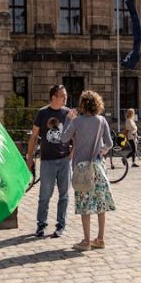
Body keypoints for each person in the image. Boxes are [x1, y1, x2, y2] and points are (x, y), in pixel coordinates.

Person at [63, 90, 116, 251]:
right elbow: (110, 143)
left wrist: (67, 120)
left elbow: (64, 138)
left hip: (81, 167)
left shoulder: (77, 121)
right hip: (98, 167)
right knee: (100, 203)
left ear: (83, 104)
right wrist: (103, 151)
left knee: (85, 204)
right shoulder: (101, 120)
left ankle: (86, 241)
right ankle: (100, 239)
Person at [26, 85, 75, 239]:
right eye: (63, 96)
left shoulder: (68, 114)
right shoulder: (42, 113)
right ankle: (41, 225)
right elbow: (34, 136)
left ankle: (61, 225)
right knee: (44, 195)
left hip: (64, 160)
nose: (66, 98)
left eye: (66, 95)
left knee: (64, 195)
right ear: (54, 97)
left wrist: (71, 154)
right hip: (47, 160)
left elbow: (76, 135)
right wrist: (29, 158)